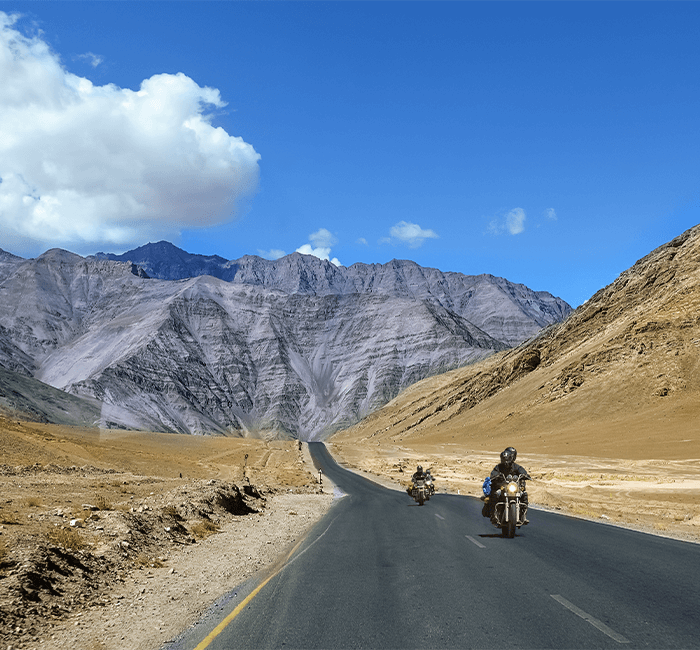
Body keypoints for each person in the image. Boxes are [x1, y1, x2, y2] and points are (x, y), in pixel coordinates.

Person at [482, 447, 530, 522]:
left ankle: (523, 515)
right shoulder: (498, 467)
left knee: (524, 494)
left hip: (513, 488)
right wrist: (495, 476)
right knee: (495, 494)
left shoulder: (516, 467)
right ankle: (494, 515)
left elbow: (522, 471)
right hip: (502, 488)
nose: (506, 462)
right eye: (504, 459)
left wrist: (525, 475)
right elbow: (493, 474)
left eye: (507, 459)